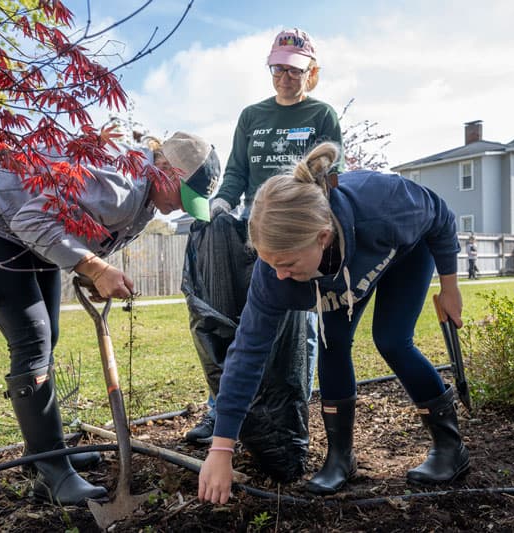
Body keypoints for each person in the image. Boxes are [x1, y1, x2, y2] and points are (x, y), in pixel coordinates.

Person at [0, 132, 220, 506]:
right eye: (183, 195)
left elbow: (72, 224)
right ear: (167, 170)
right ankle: (52, 472)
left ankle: (44, 453)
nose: (179, 208)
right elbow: (31, 219)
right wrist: (93, 266)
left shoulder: (145, 199)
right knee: (31, 339)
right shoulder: (119, 184)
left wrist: (92, 269)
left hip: (19, 232)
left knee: (46, 336)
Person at [198, 142, 470, 504]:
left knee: (392, 340)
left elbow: (441, 216)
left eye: (288, 264)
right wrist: (221, 447)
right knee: (331, 342)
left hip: (402, 252)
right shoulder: (275, 276)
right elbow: (247, 354)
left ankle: (451, 449)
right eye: (270, 263)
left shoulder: (385, 205)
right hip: (335, 276)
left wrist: (449, 287)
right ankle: (341, 458)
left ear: (322, 238)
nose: (278, 276)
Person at [185, 27, 343, 444]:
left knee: (299, 325)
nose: (284, 78)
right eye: (277, 68)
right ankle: (221, 410)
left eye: (293, 70)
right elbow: (237, 170)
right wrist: (221, 204)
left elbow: (330, 177)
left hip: (297, 231)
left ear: (310, 71)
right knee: (238, 324)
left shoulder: (322, 115)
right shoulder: (252, 116)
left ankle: (290, 417)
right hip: (255, 235)